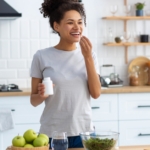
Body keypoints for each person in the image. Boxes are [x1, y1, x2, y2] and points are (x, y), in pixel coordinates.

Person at [30, 0, 101, 148]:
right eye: (70, 22)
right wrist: (41, 95)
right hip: (53, 134)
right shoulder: (41, 56)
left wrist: (87, 57)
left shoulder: (90, 55)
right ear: (57, 26)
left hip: (84, 132)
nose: (77, 27)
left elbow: (96, 93)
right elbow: (34, 101)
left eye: (80, 22)